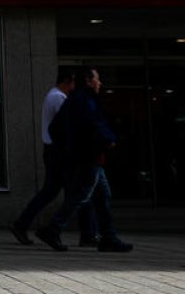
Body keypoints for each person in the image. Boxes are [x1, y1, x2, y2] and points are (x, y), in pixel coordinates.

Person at [34, 68, 134, 253]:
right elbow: (93, 125)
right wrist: (108, 140)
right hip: (88, 157)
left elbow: (56, 128)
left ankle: (108, 237)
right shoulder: (84, 101)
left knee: (102, 195)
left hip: (87, 157)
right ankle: (53, 228)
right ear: (88, 80)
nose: (100, 83)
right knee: (81, 196)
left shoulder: (73, 100)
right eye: (97, 79)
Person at [9, 68, 97, 246]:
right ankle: (83, 233)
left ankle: (23, 224)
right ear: (66, 81)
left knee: (53, 192)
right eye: (72, 83)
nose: (74, 87)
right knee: (78, 192)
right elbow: (67, 124)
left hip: (54, 152)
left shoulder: (53, 95)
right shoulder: (58, 98)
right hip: (59, 153)